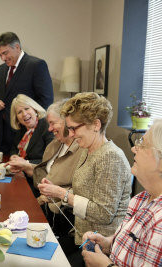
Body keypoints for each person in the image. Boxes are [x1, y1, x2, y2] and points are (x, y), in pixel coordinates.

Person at [38, 92, 132, 266]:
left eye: (74, 128)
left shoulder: (110, 157)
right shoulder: (87, 150)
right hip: (81, 237)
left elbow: (104, 213)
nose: (71, 134)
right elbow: (85, 191)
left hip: (100, 248)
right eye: (69, 128)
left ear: (96, 124)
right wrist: (58, 191)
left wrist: (63, 194)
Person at [82, 120, 162, 267]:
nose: (133, 149)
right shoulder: (141, 198)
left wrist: (106, 265)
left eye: (143, 145)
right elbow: (133, 246)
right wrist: (108, 243)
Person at [8, 99, 84, 237]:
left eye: (52, 123)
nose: (49, 129)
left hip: (64, 219)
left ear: (67, 121)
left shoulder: (82, 149)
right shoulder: (54, 145)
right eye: (49, 124)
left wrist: (49, 197)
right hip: (45, 208)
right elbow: (44, 173)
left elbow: (81, 190)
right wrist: (25, 166)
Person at [0, 32, 54, 154]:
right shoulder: (2, 69)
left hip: (27, 132)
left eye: (5, 53)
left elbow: (46, 100)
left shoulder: (36, 65)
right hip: (4, 133)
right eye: (0, 55)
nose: (3, 58)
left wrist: (34, 126)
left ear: (17, 47)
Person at [9, 94, 54, 164]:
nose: (24, 114)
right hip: (19, 170)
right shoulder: (22, 129)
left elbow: (50, 159)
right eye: (19, 112)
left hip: (38, 172)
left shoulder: (47, 126)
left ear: (35, 109)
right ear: (16, 118)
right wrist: (14, 156)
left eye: (26, 109)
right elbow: (14, 149)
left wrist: (25, 163)